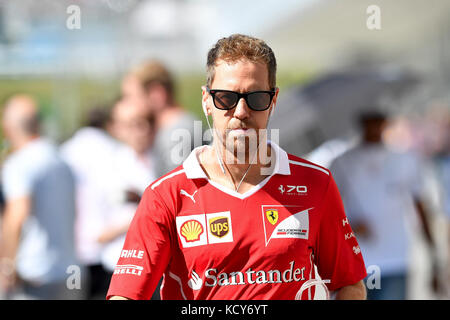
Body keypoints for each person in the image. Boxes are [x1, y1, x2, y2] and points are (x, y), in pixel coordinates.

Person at [107, 34, 367, 300]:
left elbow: (349, 284)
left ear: (273, 101)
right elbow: (126, 295)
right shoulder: (165, 195)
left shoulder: (316, 184)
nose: (241, 111)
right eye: (226, 98)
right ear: (207, 101)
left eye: (255, 98)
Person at [329, 111, 439, 300]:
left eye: (378, 122)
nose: (374, 127)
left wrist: (434, 255)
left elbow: (421, 208)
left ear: (385, 123)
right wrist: (351, 226)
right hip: (357, 262)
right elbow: (328, 212)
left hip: (396, 258)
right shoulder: (341, 163)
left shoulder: (405, 159)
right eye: (369, 122)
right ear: (361, 123)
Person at [0, 94, 81, 299]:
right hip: (70, 272)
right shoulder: (60, 158)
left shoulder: (20, 163)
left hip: (36, 275)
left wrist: (7, 265)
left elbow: (17, 213)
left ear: (8, 128)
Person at [60, 105, 119, 299]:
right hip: (105, 246)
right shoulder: (114, 150)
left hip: (73, 247)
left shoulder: (66, 150)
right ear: (108, 124)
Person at [99, 98, 158, 286]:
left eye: (147, 121)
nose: (143, 130)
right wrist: (147, 215)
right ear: (116, 128)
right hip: (121, 269)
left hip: (158, 268)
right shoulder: (106, 167)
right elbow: (95, 233)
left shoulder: (162, 161)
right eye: (133, 124)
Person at [122, 60, 199, 177]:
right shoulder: (171, 129)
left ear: (157, 93)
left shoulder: (177, 133)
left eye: (132, 96)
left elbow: (177, 190)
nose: (128, 105)